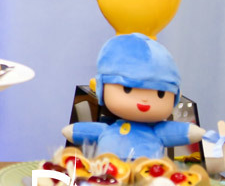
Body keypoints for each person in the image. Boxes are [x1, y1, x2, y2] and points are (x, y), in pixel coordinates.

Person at [62, 33, 205, 161]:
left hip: (147, 175)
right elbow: (83, 131)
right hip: (107, 174)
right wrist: (74, 131)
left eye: (160, 94)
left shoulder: (157, 132)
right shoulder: (107, 130)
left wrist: (192, 132)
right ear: (101, 89)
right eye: (128, 89)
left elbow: (180, 132)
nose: (144, 100)